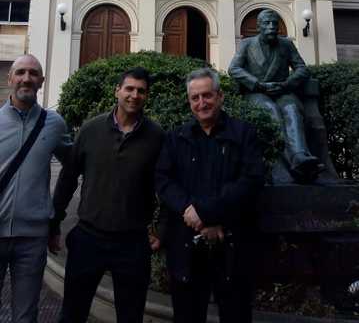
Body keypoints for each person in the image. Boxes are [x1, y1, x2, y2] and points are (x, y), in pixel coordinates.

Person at [52, 66, 164, 323]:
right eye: (129, 88)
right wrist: (54, 221)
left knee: (130, 315)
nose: (134, 95)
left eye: (141, 91)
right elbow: (68, 178)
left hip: (133, 244)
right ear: (117, 91)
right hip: (88, 238)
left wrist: (162, 228)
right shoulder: (90, 130)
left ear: (146, 96)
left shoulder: (156, 136)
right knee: (72, 313)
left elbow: (166, 185)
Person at [156, 67, 265, 323]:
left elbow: (251, 181)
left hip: (232, 247)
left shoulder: (244, 134)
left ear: (220, 96)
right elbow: (163, 180)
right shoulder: (176, 137)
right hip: (186, 249)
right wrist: (190, 212)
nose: (201, 103)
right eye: (195, 98)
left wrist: (207, 214)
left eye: (207, 96)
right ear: (189, 101)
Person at [0, 54, 71, 323]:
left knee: (26, 314)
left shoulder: (54, 124)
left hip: (32, 238)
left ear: (41, 81)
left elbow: (73, 165)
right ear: (10, 79)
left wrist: (54, 217)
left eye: (33, 73)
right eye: (20, 72)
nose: (26, 78)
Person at [228, 9, 321, 183]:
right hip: (257, 93)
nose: (272, 27)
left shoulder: (286, 44)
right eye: (267, 23)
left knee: (292, 109)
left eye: (274, 23)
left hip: (282, 91)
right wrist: (257, 84)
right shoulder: (247, 44)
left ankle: (301, 155)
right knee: (270, 111)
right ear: (258, 26)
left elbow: (302, 68)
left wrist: (287, 84)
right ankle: (295, 161)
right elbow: (233, 69)